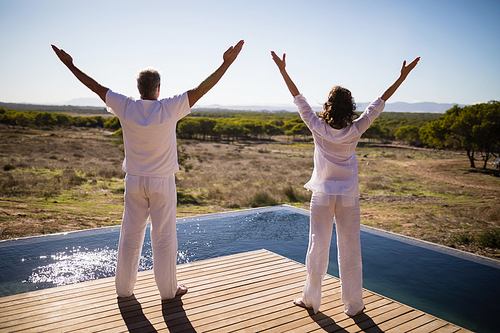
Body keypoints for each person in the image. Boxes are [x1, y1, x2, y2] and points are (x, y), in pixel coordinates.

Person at [52, 40, 244, 300]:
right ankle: (168, 291)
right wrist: (226, 64)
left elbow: (95, 87)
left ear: (138, 88)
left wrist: (70, 65)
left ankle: (123, 290)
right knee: (164, 237)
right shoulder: (169, 107)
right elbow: (201, 89)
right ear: (159, 88)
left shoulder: (126, 106)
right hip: (162, 183)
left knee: (130, 236)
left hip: (134, 181)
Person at [271, 51, 419, 316]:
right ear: (349, 107)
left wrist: (283, 70)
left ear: (328, 105)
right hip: (348, 197)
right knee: (350, 251)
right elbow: (380, 102)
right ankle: (354, 306)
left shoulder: (317, 126)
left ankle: (311, 300)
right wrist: (402, 77)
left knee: (317, 247)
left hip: (323, 196)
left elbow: (298, 99)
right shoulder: (356, 129)